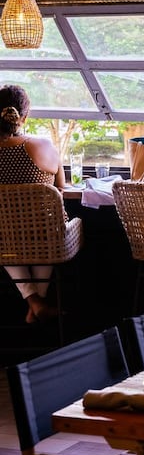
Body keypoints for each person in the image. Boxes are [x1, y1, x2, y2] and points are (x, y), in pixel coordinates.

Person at [0, 84, 66, 324]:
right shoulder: (44, 146)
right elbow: (61, 189)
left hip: (4, 237)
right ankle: (39, 301)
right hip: (45, 236)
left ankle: (34, 301)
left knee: (6, 237)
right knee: (46, 230)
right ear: (24, 116)